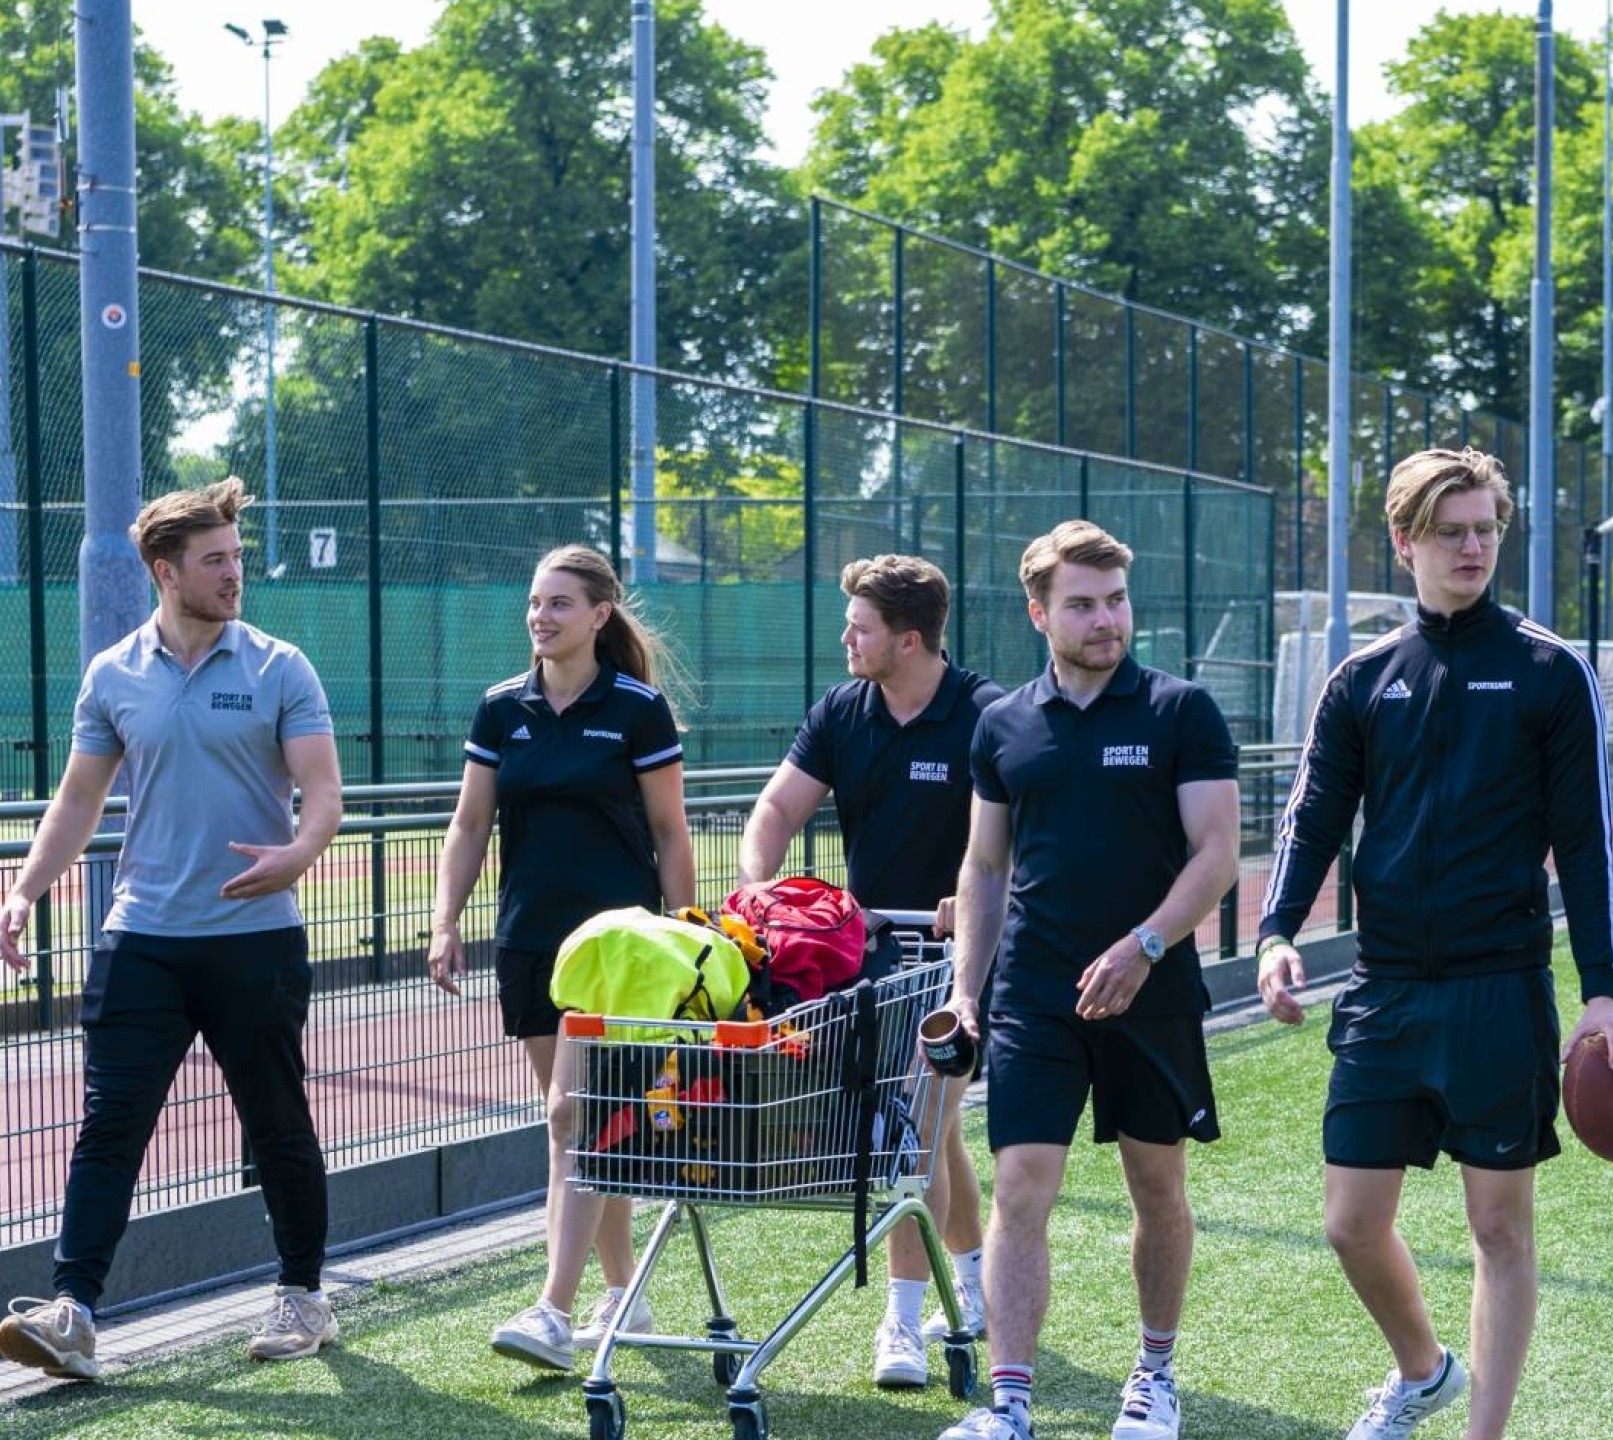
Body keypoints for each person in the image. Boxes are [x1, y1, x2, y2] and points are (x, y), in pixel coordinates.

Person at [1253, 447, 1613, 1440]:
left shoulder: (1547, 672)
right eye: (1450, 530)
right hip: (1385, 991)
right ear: (1404, 542)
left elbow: (1586, 846)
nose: (1473, 546)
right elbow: (1309, 820)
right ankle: (1422, 1371)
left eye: (1485, 529)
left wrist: (1600, 990)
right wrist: (1270, 933)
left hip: (1497, 993)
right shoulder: (1360, 679)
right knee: (1348, 1222)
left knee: (1496, 1229)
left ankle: (1481, 1431)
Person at [0, 478, 344, 1379]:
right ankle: (73, 1312)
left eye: (237, 556)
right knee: (111, 1125)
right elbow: (79, 800)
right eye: (216, 560)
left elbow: (324, 797)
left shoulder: (281, 667)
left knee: (274, 1122)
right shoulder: (112, 673)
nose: (235, 574)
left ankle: (303, 1295)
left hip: (255, 939)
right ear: (165, 571)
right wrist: (27, 890)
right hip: (141, 938)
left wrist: (297, 856)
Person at [937, 520, 1240, 1440]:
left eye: (1115, 600)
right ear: (1040, 613)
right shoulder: (1004, 724)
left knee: (1156, 1187)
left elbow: (1218, 853)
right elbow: (984, 868)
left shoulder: (1180, 711)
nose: (1105, 620)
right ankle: (1011, 1405)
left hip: (1152, 990)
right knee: (1021, 1189)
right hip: (1035, 996)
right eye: (1082, 603)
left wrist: (1144, 946)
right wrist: (965, 990)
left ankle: (1154, 1377)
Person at [425, 544, 696, 1371]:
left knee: (571, 1118)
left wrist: (687, 930)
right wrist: (445, 922)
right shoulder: (501, 709)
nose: (541, 616)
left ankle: (554, 1308)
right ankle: (624, 1289)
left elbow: (669, 831)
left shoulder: (638, 710)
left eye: (560, 604)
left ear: (600, 615)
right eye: (536, 603)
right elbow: (470, 825)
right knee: (588, 1121)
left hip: (622, 952)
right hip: (532, 944)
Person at [737, 554, 1002, 1390]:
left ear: (910, 638)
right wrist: (759, 888)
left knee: (909, 1129)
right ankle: (974, 1281)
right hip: (870, 958)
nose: (845, 637)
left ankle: (902, 1324)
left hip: (961, 957)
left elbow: (1019, 835)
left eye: (860, 625)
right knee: (931, 1127)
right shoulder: (843, 711)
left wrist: (970, 895)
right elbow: (778, 808)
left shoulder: (986, 715)